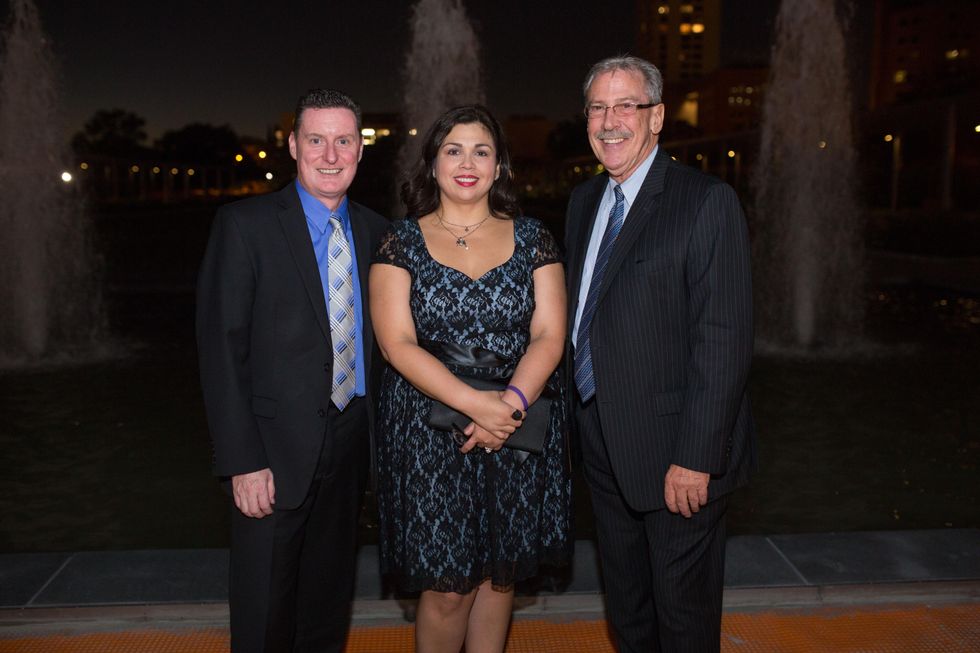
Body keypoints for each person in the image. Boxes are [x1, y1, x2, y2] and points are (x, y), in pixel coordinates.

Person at [565, 55, 756, 653]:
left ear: (657, 118)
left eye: (627, 105)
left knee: (683, 620)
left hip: (677, 455)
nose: (610, 121)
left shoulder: (705, 201)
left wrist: (697, 456)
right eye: (598, 107)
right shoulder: (583, 202)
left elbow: (723, 339)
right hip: (600, 442)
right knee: (629, 610)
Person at [369, 104, 571, 653]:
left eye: (481, 151)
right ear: (432, 164)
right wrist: (478, 407)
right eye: (452, 150)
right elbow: (396, 344)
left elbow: (550, 334)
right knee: (447, 588)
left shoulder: (533, 238)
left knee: (498, 574)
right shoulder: (400, 242)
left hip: (518, 422)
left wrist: (509, 403)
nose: (467, 162)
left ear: (500, 165)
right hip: (429, 434)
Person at [196, 88, 388, 653]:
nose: (331, 155)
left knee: (328, 604)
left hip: (351, 443)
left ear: (361, 148)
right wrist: (242, 460)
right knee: (263, 610)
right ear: (293, 146)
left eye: (344, 141)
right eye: (316, 140)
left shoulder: (380, 233)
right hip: (270, 454)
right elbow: (220, 350)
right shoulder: (244, 225)